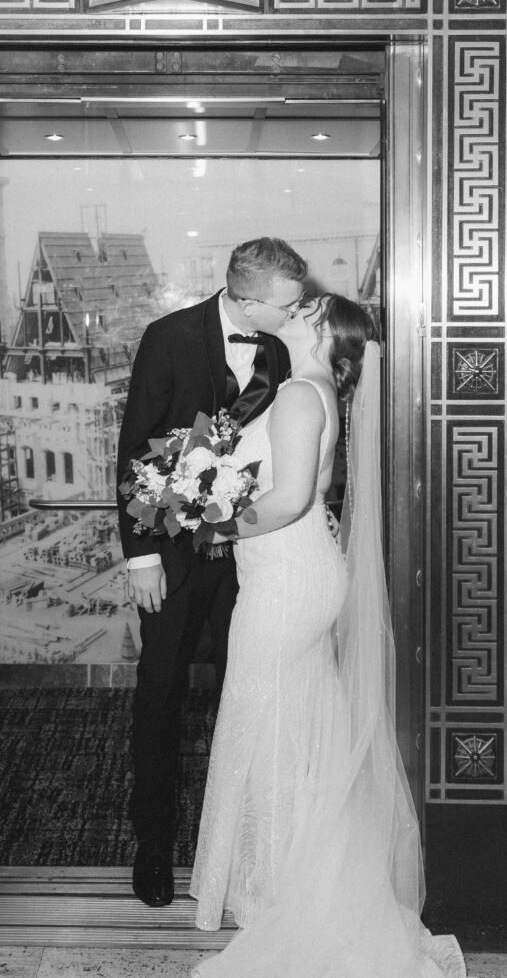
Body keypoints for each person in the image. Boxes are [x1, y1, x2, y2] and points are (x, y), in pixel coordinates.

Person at [189, 292, 466, 978]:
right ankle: (291, 884)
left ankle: (284, 898)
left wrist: (213, 524)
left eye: (305, 305)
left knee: (262, 725)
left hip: (285, 580)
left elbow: (286, 500)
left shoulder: (294, 393)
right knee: (297, 729)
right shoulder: (312, 391)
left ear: (316, 329)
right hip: (297, 572)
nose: (293, 305)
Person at [117, 237, 306, 908]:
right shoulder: (168, 337)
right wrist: (140, 553)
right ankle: (153, 846)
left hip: (257, 555)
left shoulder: (283, 349)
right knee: (161, 695)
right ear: (246, 297)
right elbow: (138, 442)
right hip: (172, 553)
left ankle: (239, 850)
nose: (296, 312)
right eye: (286, 303)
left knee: (247, 696)